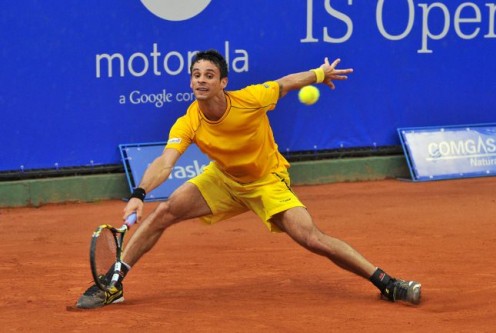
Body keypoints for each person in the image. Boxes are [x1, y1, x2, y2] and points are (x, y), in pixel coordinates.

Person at [76, 49, 421, 309]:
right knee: (165, 211)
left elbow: (286, 84)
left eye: (208, 75)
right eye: (195, 74)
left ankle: (386, 282)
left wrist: (319, 73)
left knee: (311, 237)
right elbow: (165, 163)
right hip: (224, 180)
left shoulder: (251, 99)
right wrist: (138, 192)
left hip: (266, 181)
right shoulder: (189, 121)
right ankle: (114, 283)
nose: (200, 80)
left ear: (222, 82)